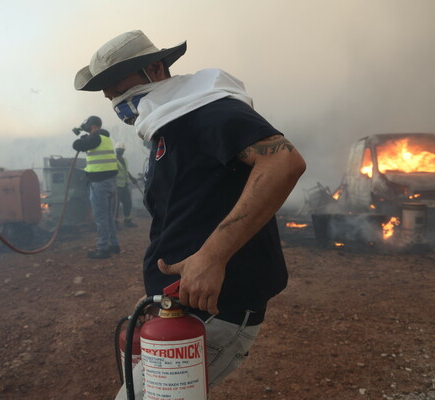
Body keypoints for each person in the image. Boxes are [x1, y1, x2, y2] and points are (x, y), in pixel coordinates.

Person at [74, 30, 307, 398]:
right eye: (105, 90)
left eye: (115, 84)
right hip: (182, 307)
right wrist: (161, 299)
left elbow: (283, 162)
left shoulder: (205, 108)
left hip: (218, 308)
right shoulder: (170, 121)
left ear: (155, 68)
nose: (110, 97)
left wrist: (212, 257)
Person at [72, 115, 120, 259]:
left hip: (99, 183)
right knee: (108, 216)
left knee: (100, 217)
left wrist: (82, 136)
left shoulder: (95, 138)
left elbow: (76, 145)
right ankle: (114, 245)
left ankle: (103, 248)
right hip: (110, 182)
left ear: (92, 127)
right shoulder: (105, 138)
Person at [114, 141, 138, 228]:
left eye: (122, 150)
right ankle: (115, 222)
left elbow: (125, 170)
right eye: (119, 149)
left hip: (125, 185)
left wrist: (132, 178)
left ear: (123, 151)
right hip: (117, 186)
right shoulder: (113, 160)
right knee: (115, 205)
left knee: (128, 203)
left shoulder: (125, 160)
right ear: (116, 150)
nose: (120, 151)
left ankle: (127, 221)